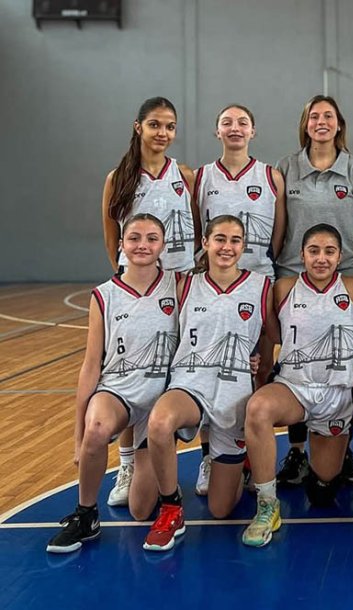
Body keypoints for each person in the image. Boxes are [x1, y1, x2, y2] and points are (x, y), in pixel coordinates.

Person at [47, 214, 179, 553]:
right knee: (96, 431)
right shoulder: (103, 295)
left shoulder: (178, 286)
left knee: (138, 511)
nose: (143, 245)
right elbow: (91, 365)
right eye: (134, 238)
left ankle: (139, 461)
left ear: (162, 245)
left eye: (152, 238)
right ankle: (86, 515)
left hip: (161, 399)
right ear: (121, 244)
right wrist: (79, 435)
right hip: (118, 390)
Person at [142, 214, 274, 551]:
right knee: (159, 422)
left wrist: (258, 363)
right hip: (191, 383)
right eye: (220, 239)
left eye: (234, 241)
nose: (226, 247)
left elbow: (268, 336)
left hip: (234, 394)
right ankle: (171, 507)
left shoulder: (261, 286)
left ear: (244, 246)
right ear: (205, 242)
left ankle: (239, 466)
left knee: (219, 510)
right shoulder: (184, 284)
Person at [241, 224, 353, 547]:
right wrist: (255, 359)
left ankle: (319, 467)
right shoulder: (284, 288)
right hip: (294, 388)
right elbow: (272, 332)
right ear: (302, 255)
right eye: (314, 251)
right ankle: (268, 504)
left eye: (329, 251)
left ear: (340, 256)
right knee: (257, 409)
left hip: (336, 395)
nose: (321, 258)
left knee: (323, 493)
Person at [100, 97, 199, 509]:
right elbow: (110, 237)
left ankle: (201, 456)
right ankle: (126, 462)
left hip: (178, 285)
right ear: (138, 126)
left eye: (170, 126)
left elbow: (197, 225)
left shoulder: (186, 176)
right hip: (136, 285)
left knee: (175, 369)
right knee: (131, 372)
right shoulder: (118, 178)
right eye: (155, 124)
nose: (163, 133)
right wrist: (127, 279)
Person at [274, 95, 353, 487]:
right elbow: (280, 219)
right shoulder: (287, 166)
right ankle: (297, 451)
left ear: (339, 125)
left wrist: (348, 256)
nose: (321, 122)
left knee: (340, 355)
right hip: (295, 269)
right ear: (305, 124)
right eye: (314, 116)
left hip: (344, 267)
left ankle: (342, 443)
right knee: (296, 359)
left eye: (328, 116)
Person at [193, 103, 286, 494]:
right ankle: (209, 457)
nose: (235, 128)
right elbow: (200, 228)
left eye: (242, 122)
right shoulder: (200, 177)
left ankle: (248, 454)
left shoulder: (271, 176)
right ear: (217, 132)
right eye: (227, 123)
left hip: (257, 281)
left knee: (258, 370)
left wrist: (263, 265)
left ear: (253, 131)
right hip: (213, 284)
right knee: (208, 372)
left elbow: (279, 233)